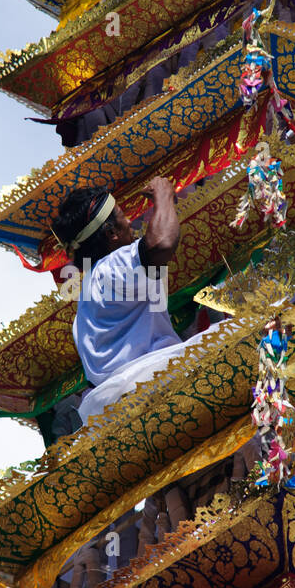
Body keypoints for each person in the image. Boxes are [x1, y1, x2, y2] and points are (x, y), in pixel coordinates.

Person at [52, 177, 204, 423]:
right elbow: (162, 243)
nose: (131, 225)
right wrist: (164, 195)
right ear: (111, 232)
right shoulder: (111, 268)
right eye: (123, 218)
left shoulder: (82, 312)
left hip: (114, 416)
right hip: (157, 387)